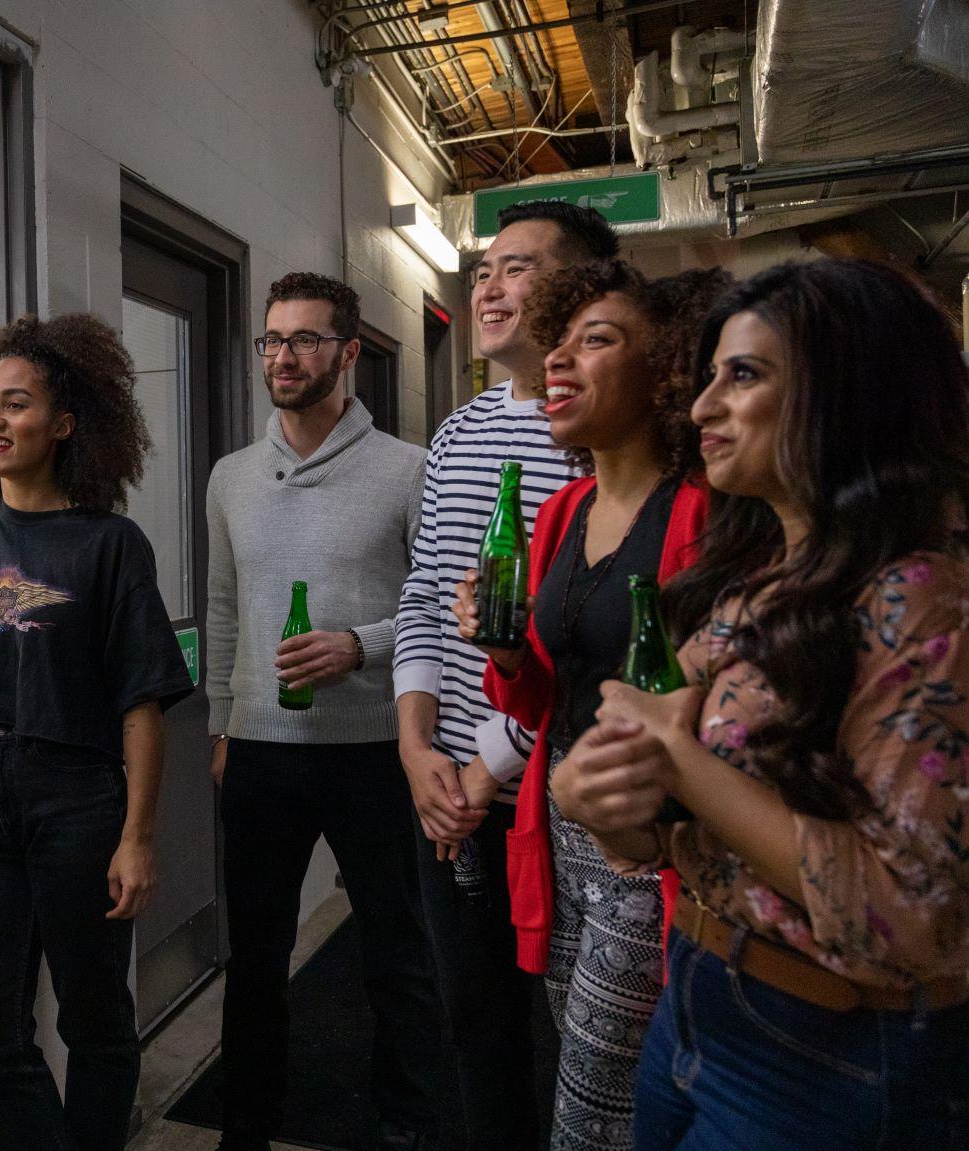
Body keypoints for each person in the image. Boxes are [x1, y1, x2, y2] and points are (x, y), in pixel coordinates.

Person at [552, 259, 969, 1148]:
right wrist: (601, 803)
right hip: (702, 993)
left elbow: (906, 915)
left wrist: (676, 759)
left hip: (829, 1048)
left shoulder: (923, 598)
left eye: (741, 375)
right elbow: (664, 832)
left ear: (848, 389)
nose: (701, 407)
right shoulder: (756, 584)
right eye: (709, 377)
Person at [0, 313, 192, 1151]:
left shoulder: (110, 543)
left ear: (64, 423)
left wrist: (137, 838)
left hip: (78, 796)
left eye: (15, 403)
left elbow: (142, 703)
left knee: (96, 1023)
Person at [452, 261, 730, 1151]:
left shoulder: (703, 512)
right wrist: (501, 649)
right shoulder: (564, 507)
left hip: (652, 845)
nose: (558, 359)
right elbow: (540, 691)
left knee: (594, 1100)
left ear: (668, 372)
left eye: (596, 340)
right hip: (556, 828)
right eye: (558, 343)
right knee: (583, 1057)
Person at [394, 199, 617, 1150]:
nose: (489, 284)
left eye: (519, 268)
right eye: (486, 268)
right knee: (473, 1026)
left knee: (581, 1043)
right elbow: (421, 598)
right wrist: (414, 749)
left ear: (577, 293)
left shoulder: (597, 443)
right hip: (446, 788)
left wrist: (490, 764)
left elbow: (589, 645)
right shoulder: (456, 434)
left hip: (550, 786)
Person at [205, 271, 441, 1150]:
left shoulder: (408, 470)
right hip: (262, 754)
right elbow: (225, 608)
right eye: (272, 339)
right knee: (256, 962)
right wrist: (225, 726)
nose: (284, 355)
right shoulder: (232, 478)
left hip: (375, 747)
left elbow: (435, 602)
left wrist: (359, 644)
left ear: (347, 352)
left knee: (397, 955)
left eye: (305, 339)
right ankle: (244, 1132)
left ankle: (408, 1128)